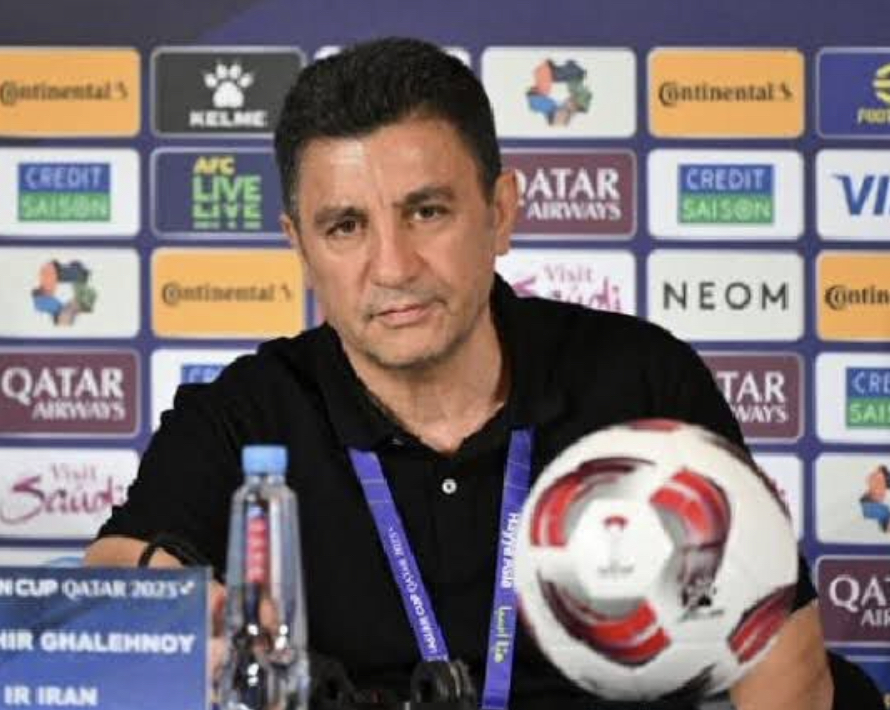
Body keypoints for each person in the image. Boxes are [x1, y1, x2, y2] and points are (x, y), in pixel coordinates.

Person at [86, 37, 847, 709]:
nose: (393, 266)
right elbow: (116, 574)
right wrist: (184, 614)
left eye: (426, 212)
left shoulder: (641, 383)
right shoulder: (244, 413)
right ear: (300, 246)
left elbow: (784, 667)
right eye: (346, 226)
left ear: (500, 212)